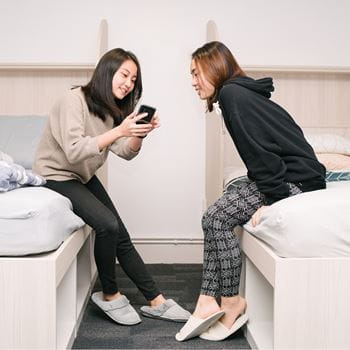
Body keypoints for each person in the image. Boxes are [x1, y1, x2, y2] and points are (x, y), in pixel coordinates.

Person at [175, 41, 326, 342]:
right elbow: (265, 153)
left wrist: (274, 202)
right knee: (216, 213)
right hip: (288, 174)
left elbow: (263, 154)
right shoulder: (237, 93)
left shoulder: (232, 94)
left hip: (296, 180)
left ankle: (230, 303)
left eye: (196, 73)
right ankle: (207, 300)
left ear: (214, 67)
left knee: (215, 218)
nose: (192, 82)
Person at [33, 48, 190, 326]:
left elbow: (125, 152)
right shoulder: (73, 99)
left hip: (80, 177)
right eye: (124, 75)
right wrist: (120, 130)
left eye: (133, 79)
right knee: (107, 225)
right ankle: (108, 295)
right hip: (55, 175)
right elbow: (73, 151)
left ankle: (156, 300)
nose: (128, 83)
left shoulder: (110, 111)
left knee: (121, 235)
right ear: (107, 72)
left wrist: (139, 134)